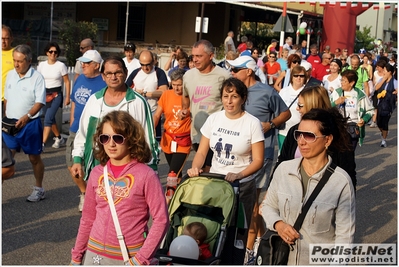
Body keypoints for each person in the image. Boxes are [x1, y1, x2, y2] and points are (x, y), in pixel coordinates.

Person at [70, 110, 168, 265]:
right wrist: (76, 256)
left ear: (131, 139)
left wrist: (141, 259)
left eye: (118, 138)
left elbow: (161, 220)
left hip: (129, 257)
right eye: (105, 138)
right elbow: (88, 218)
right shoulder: (97, 173)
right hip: (94, 255)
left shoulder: (146, 175)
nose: (111, 144)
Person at [261, 108, 356, 265]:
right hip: (282, 259)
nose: (301, 141)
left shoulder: (341, 182)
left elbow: (345, 237)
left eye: (309, 136)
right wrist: (279, 225)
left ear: (327, 140)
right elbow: (267, 206)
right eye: (299, 134)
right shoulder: (284, 170)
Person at [187, 77, 264, 265]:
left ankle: (239, 258)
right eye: (225, 96)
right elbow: (203, 151)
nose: (229, 101)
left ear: (243, 98)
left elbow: (259, 160)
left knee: (237, 231)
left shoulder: (252, 123)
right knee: (214, 227)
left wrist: (239, 174)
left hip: (241, 186)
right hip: (216, 184)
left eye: (234, 96)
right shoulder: (214, 119)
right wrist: (195, 167)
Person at [227, 56, 291, 264]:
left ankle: (249, 251)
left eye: (236, 69)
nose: (233, 72)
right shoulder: (234, 93)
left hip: (260, 156)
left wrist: (270, 124)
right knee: (237, 201)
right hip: (237, 156)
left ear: (249, 71)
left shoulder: (267, 91)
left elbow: (286, 113)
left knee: (251, 203)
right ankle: (265, 236)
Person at [71, 56, 159, 183]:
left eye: (118, 72)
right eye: (109, 73)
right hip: (98, 164)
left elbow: (148, 139)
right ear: (103, 76)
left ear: (125, 73)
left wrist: (151, 169)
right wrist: (77, 160)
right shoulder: (94, 101)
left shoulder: (137, 102)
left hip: (130, 166)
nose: (113, 77)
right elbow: (83, 134)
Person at [276, 85, 357, 188]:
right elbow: (282, 161)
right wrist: (272, 189)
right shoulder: (294, 130)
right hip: (292, 192)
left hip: (326, 195)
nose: (297, 109)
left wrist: (347, 200)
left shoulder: (339, 135)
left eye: (300, 105)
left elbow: (348, 173)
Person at [2, 44, 46, 202]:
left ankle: (39, 188)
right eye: (14, 60)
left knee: (34, 158)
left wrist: (26, 117)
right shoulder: (11, 75)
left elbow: (40, 102)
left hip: (30, 124)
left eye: (20, 61)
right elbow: (6, 97)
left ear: (29, 60)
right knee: (4, 161)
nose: (16, 64)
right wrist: (7, 114)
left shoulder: (37, 78)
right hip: (10, 125)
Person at [181, 39, 230, 173]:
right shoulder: (188, 75)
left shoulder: (223, 76)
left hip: (218, 134)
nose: (195, 60)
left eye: (199, 56)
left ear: (211, 56)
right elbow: (185, 97)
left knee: (211, 170)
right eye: (193, 56)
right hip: (197, 133)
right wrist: (185, 110)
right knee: (201, 170)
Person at [66, 49, 106, 212]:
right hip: (76, 129)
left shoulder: (104, 82)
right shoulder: (80, 78)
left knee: (95, 166)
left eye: (87, 63)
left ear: (97, 65)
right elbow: (75, 100)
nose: (83, 65)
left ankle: (97, 196)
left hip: (95, 130)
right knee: (71, 163)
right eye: (82, 62)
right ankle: (85, 192)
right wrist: (71, 122)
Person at [153, 69, 191, 188]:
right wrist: (152, 129)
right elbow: (157, 114)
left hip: (183, 141)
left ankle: (168, 200)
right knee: (175, 173)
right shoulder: (166, 94)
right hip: (168, 139)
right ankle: (178, 193)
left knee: (172, 175)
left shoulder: (190, 96)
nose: (176, 88)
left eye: (179, 85)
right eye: (173, 85)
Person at [126, 50, 169, 142]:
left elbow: (164, 91)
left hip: (153, 111)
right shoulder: (135, 73)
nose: (145, 68)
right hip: (137, 111)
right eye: (142, 65)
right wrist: (134, 92)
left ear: (153, 61)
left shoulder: (159, 72)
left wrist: (145, 94)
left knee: (153, 140)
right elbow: (125, 89)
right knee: (136, 139)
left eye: (148, 65)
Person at [37, 42, 70, 150]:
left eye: (55, 52)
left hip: (56, 94)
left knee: (47, 119)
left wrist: (67, 97)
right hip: (44, 94)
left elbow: (67, 82)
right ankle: (59, 138)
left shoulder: (61, 65)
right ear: (47, 52)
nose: (53, 54)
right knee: (51, 119)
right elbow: (38, 80)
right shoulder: (42, 65)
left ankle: (42, 144)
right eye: (51, 51)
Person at [330, 69, 374, 149]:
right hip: (339, 127)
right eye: (341, 80)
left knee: (350, 152)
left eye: (344, 81)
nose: (341, 82)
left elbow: (370, 110)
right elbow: (326, 107)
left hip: (353, 128)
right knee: (340, 153)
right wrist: (335, 103)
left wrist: (364, 119)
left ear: (352, 83)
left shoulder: (360, 94)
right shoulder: (336, 93)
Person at [277, 65, 307, 150]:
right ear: (291, 77)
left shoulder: (307, 92)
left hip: (300, 132)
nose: (298, 78)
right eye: (296, 75)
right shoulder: (283, 91)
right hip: (283, 131)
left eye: (301, 76)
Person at [373, 64, 397, 147]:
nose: (383, 72)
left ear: (389, 72)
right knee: (379, 122)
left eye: (385, 71)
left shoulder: (394, 81)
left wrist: (394, 93)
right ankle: (383, 132)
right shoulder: (381, 79)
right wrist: (383, 79)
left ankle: (384, 140)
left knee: (385, 122)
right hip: (380, 103)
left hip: (388, 105)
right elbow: (376, 88)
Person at [2, 25, 14, 116]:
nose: (3, 41)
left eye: (6, 38)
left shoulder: (16, 54)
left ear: (11, 39)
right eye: (1, 38)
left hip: (8, 99)